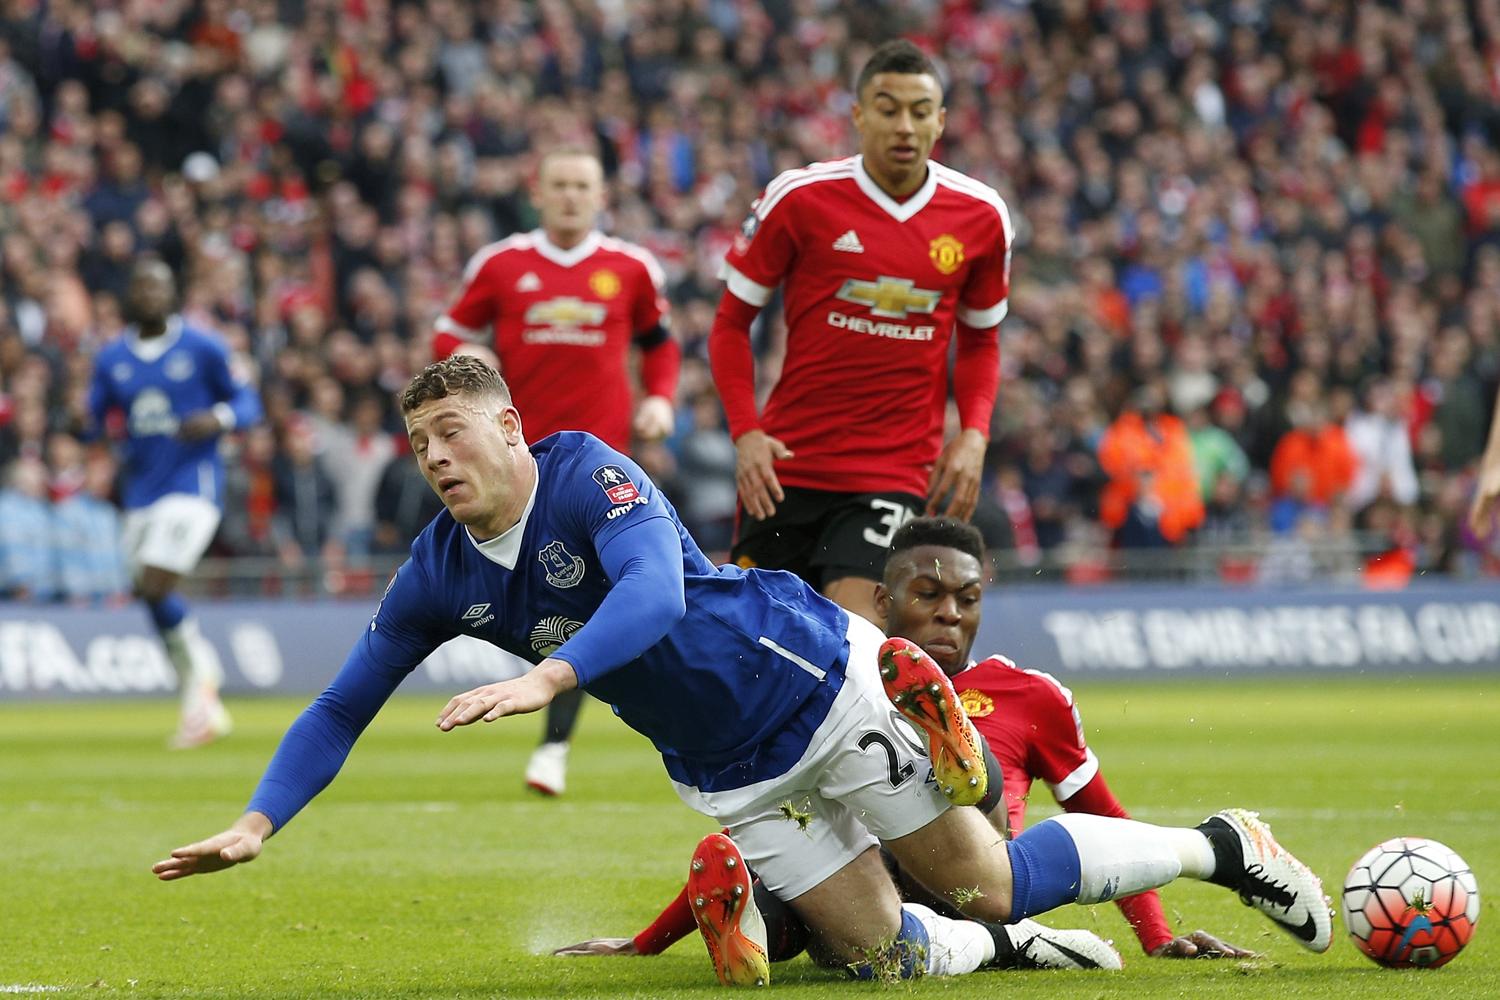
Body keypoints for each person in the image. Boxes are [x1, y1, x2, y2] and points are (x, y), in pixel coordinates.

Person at [152, 357, 1332, 990]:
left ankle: (1223, 845)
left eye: (453, 434)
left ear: (511, 426)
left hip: (806, 679)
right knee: (881, 960)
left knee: (984, 882)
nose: (435, 459)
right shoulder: (434, 571)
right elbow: (341, 700)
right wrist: (261, 820)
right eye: (419, 447)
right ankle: (1018, 951)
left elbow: (656, 593)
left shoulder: (589, 474)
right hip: (720, 766)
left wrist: (549, 683)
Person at [554, 517, 1253, 965]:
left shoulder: (1029, 693)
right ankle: (759, 940)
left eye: (967, 600)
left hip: (972, 871)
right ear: (885, 606)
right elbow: (739, 852)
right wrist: (646, 944)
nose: (949, 613)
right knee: (806, 900)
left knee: (951, 829)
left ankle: (959, 763)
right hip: (878, 881)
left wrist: (1159, 938)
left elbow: (1101, 813)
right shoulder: (833, 680)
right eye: (928, 596)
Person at [708, 40, 1007, 626]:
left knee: (852, 635)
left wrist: (974, 433)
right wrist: (745, 433)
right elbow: (728, 325)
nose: (905, 125)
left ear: (941, 120)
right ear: (858, 115)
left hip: (892, 470)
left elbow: (980, 340)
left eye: (921, 111)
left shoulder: (980, 216)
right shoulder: (799, 199)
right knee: (759, 652)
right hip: (786, 465)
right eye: (887, 107)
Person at [432, 148, 681, 797]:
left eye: (582, 186)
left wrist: (661, 396)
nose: (571, 196)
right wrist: (466, 351)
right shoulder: (502, 264)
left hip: (600, 466)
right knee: (547, 601)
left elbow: (660, 343)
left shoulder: (629, 267)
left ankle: (554, 747)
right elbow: (449, 333)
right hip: (516, 459)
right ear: (537, 192)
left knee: (590, 597)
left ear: (601, 195)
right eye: (560, 185)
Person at [88, 259, 262, 748]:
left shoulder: (203, 345)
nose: (149, 294)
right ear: (130, 296)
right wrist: (86, 434)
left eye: (158, 285)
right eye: (141, 285)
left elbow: (250, 402)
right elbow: (96, 414)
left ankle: (200, 686)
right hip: (141, 490)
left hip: (194, 485)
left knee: (159, 579)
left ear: (172, 294)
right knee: (147, 589)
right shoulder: (111, 357)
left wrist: (220, 418)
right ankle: (201, 687)